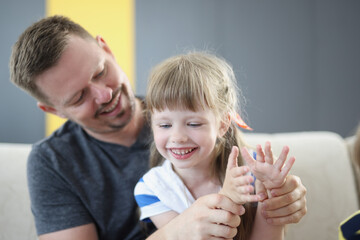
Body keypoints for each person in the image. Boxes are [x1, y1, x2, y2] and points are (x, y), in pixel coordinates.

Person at [9, 15, 307, 240]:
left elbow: (253, 189)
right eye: (79, 97)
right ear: (53, 110)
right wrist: (175, 232)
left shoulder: (191, 106)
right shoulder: (52, 163)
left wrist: (280, 201)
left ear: (106, 49)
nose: (104, 94)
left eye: (101, 72)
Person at [134, 52, 295, 240]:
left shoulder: (251, 172)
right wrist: (228, 199)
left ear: (222, 124)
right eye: (164, 125)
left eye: (193, 124)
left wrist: (272, 194)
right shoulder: (153, 188)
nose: (177, 137)